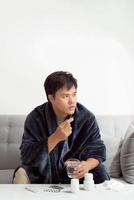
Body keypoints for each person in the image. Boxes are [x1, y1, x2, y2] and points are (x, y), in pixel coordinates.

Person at [13, 71, 110, 184]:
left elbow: (97, 148)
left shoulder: (86, 117)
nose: (72, 101)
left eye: (74, 94)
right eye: (66, 96)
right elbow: (26, 156)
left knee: (100, 171)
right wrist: (55, 138)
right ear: (51, 98)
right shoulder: (35, 117)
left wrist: (86, 165)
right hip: (43, 171)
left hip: (74, 172)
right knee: (21, 173)